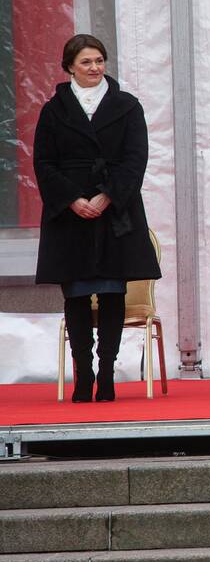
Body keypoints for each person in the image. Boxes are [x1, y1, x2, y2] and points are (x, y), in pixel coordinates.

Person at [33, 33, 161, 403]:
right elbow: (43, 162)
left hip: (114, 211)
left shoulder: (126, 105)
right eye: (86, 62)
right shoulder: (53, 110)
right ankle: (82, 374)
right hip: (69, 215)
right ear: (70, 66)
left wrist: (108, 196)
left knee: (110, 292)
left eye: (99, 60)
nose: (94, 68)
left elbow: (137, 158)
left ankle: (106, 373)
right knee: (75, 294)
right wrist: (72, 199)